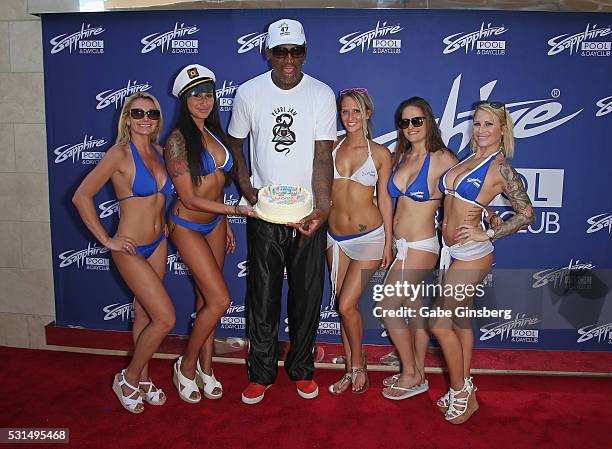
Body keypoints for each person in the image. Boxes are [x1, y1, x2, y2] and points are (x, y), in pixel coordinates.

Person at [226, 18, 337, 404]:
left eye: (296, 51)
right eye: (281, 51)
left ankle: (302, 370)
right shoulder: (248, 92)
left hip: (308, 213)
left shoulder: (321, 94)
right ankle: (261, 372)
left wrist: (322, 207)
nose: (289, 59)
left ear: (305, 52)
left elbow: (324, 155)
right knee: (263, 295)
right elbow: (236, 146)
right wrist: (244, 187)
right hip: (265, 214)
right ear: (267, 52)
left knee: (307, 295)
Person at [432, 100, 534, 424]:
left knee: (440, 323)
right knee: (460, 323)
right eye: (477, 123)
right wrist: (488, 214)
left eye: (489, 124)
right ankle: (464, 386)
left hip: (473, 256)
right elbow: (471, 200)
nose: (481, 130)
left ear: (503, 129)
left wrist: (487, 235)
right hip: (451, 252)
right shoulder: (471, 158)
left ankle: (461, 391)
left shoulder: (501, 166)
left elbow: (527, 214)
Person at [72, 92, 175, 414]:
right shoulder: (118, 155)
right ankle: (128, 378)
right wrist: (107, 239)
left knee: (145, 315)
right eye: (138, 112)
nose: (146, 118)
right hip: (130, 246)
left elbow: (163, 198)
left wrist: (166, 225)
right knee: (165, 318)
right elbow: (81, 196)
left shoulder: (160, 152)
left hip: (158, 243)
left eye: (152, 113)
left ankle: (143, 379)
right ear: (127, 119)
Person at [164, 65, 255, 403]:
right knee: (219, 300)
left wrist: (226, 222)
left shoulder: (215, 132)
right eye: (195, 95)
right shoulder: (176, 140)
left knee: (207, 301)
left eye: (208, 94)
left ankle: (206, 367)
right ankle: (185, 367)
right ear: (184, 100)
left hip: (215, 223)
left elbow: (216, 188)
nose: (203, 101)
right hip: (187, 225)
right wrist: (236, 211)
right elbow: (189, 197)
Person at [380, 97, 458, 401]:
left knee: (388, 306)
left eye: (417, 120)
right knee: (413, 312)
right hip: (401, 246)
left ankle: (411, 372)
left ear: (429, 121)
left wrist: (481, 220)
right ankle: (419, 374)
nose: (410, 127)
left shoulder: (442, 157)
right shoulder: (404, 155)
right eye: (405, 122)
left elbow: (465, 191)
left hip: (422, 246)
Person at [326, 88, 393, 395]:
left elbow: (386, 200)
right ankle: (351, 366)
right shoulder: (330, 148)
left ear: (368, 113)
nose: (349, 117)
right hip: (334, 239)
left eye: (356, 111)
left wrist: (389, 241)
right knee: (344, 307)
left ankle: (359, 365)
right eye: (344, 111)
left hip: (368, 237)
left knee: (346, 303)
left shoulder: (379, 153)